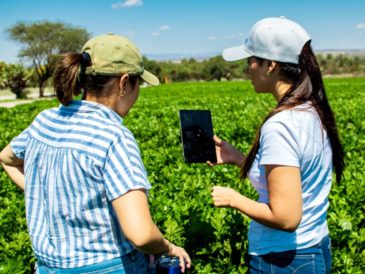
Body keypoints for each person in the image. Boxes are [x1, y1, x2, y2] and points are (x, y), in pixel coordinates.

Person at [0, 33, 191, 273]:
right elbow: (141, 234)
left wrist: (42, 191)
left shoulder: (45, 120)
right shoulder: (113, 136)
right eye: (137, 84)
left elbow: (7, 158)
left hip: (48, 267)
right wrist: (167, 248)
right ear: (123, 83)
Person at [209, 17, 344, 273]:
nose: (247, 68)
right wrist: (239, 158)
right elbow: (293, 180)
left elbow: (286, 217)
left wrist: (234, 199)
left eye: (251, 60)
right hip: (313, 248)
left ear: (270, 65)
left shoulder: (281, 125)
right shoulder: (311, 109)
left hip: (284, 260)